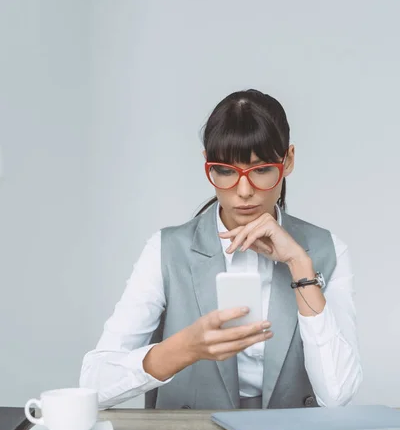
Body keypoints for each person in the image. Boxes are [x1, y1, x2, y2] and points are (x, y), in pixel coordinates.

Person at [80, 89, 362, 410]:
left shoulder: (327, 249)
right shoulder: (167, 249)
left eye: (261, 170)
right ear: (208, 167)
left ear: (288, 161)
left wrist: (299, 264)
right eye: (226, 171)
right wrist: (185, 348)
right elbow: (94, 384)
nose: (244, 191)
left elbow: (338, 396)